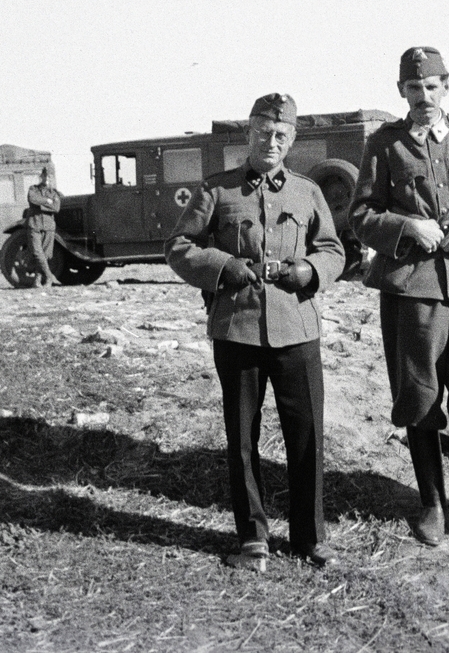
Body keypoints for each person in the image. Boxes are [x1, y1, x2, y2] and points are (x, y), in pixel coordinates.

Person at [166, 94, 346, 571]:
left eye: (282, 135)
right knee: (242, 437)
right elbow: (179, 246)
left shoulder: (307, 192)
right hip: (238, 330)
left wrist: (309, 270)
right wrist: (224, 265)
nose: (272, 142)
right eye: (264, 132)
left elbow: (334, 250)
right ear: (248, 135)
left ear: (292, 140)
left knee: (306, 435)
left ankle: (310, 536)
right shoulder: (218, 189)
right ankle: (253, 537)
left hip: (297, 330)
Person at [348, 47, 449, 551]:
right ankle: (433, 506)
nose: (425, 97)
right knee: (419, 396)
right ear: (402, 91)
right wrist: (405, 226)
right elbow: (361, 215)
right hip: (411, 290)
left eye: (434, 86)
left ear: (447, 87)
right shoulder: (384, 145)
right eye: (414, 88)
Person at [23, 167, 62, 287]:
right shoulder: (33, 189)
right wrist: (47, 201)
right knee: (37, 252)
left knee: (45, 255)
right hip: (34, 224)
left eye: (50, 177)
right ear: (42, 176)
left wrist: (41, 203)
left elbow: (56, 208)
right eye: (45, 176)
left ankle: (37, 280)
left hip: (48, 227)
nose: (47, 179)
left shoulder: (54, 193)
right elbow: (32, 199)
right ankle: (49, 277)